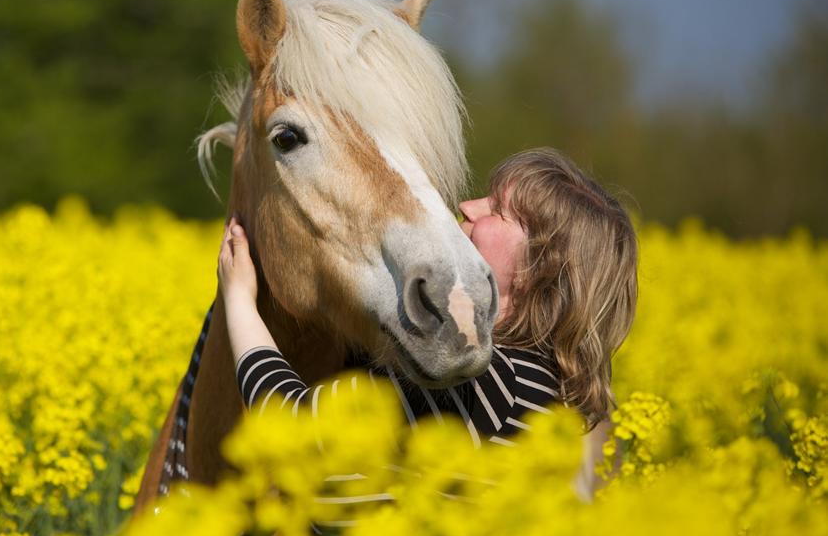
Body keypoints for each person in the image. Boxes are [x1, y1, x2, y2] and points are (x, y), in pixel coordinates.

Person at [218, 147, 639, 448]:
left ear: (541, 269)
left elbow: (294, 427)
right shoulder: (542, 386)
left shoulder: (482, 381)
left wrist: (239, 300)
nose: (468, 206)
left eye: (499, 210)